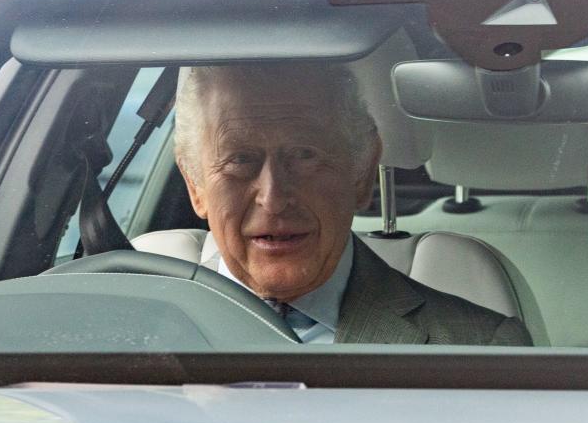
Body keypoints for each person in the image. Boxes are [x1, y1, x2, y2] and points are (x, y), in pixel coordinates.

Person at [174, 63, 532, 345]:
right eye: (239, 160)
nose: (274, 198)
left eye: (304, 155)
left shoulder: (477, 349)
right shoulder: (131, 331)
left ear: (361, 173)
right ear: (195, 185)